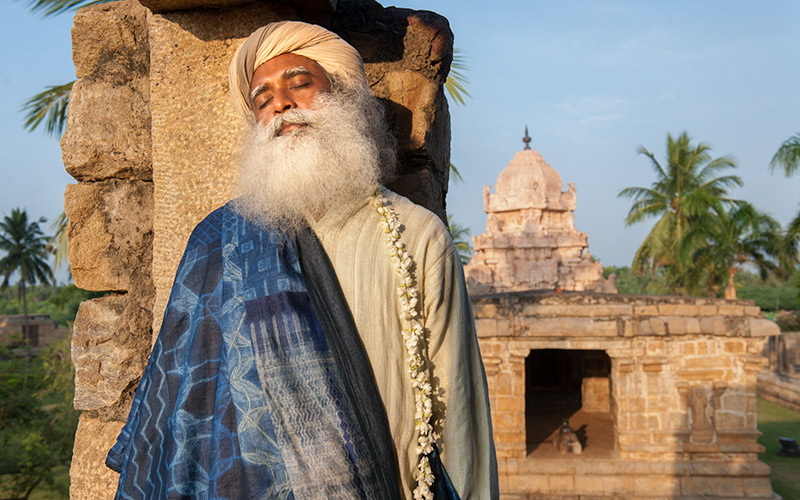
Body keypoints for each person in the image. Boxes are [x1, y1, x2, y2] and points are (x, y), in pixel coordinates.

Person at [107, 20, 498, 500]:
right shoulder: (218, 242)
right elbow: (182, 415)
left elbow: (459, 413)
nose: (281, 105)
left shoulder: (417, 235)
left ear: (345, 97)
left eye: (300, 84)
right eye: (263, 98)